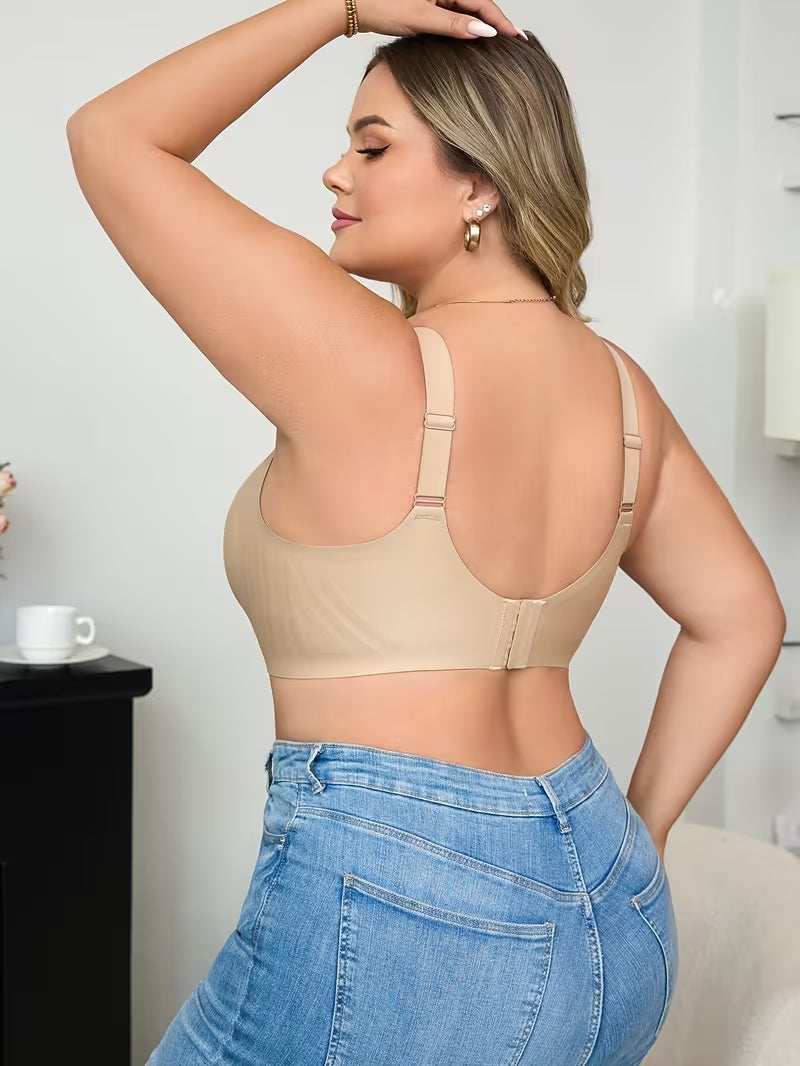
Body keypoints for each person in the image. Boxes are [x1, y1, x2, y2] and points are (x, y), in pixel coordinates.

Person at [66, 0, 786, 1061]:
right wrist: (642, 829)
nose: (335, 174)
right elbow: (744, 617)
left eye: (372, 147)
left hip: (408, 912)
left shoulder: (366, 360)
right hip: (610, 907)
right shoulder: (622, 390)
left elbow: (111, 137)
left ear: (480, 184)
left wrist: (342, 9)